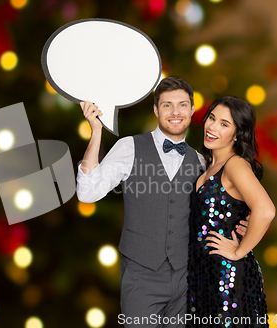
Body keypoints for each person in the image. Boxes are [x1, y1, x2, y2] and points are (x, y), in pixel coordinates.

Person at [76, 77, 248, 328]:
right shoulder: (130, 147)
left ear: (191, 110)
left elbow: (215, 211)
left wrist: (242, 226)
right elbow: (86, 193)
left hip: (185, 277)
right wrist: (97, 132)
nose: (175, 112)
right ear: (156, 110)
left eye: (182, 105)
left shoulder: (201, 162)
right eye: (167, 105)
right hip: (141, 275)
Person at [187, 96, 275, 327]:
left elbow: (266, 210)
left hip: (227, 275)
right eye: (212, 118)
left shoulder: (235, 164)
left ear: (237, 134)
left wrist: (238, 252)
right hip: (203, 274)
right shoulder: (208, 165)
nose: (212, 127)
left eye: (224, 124)